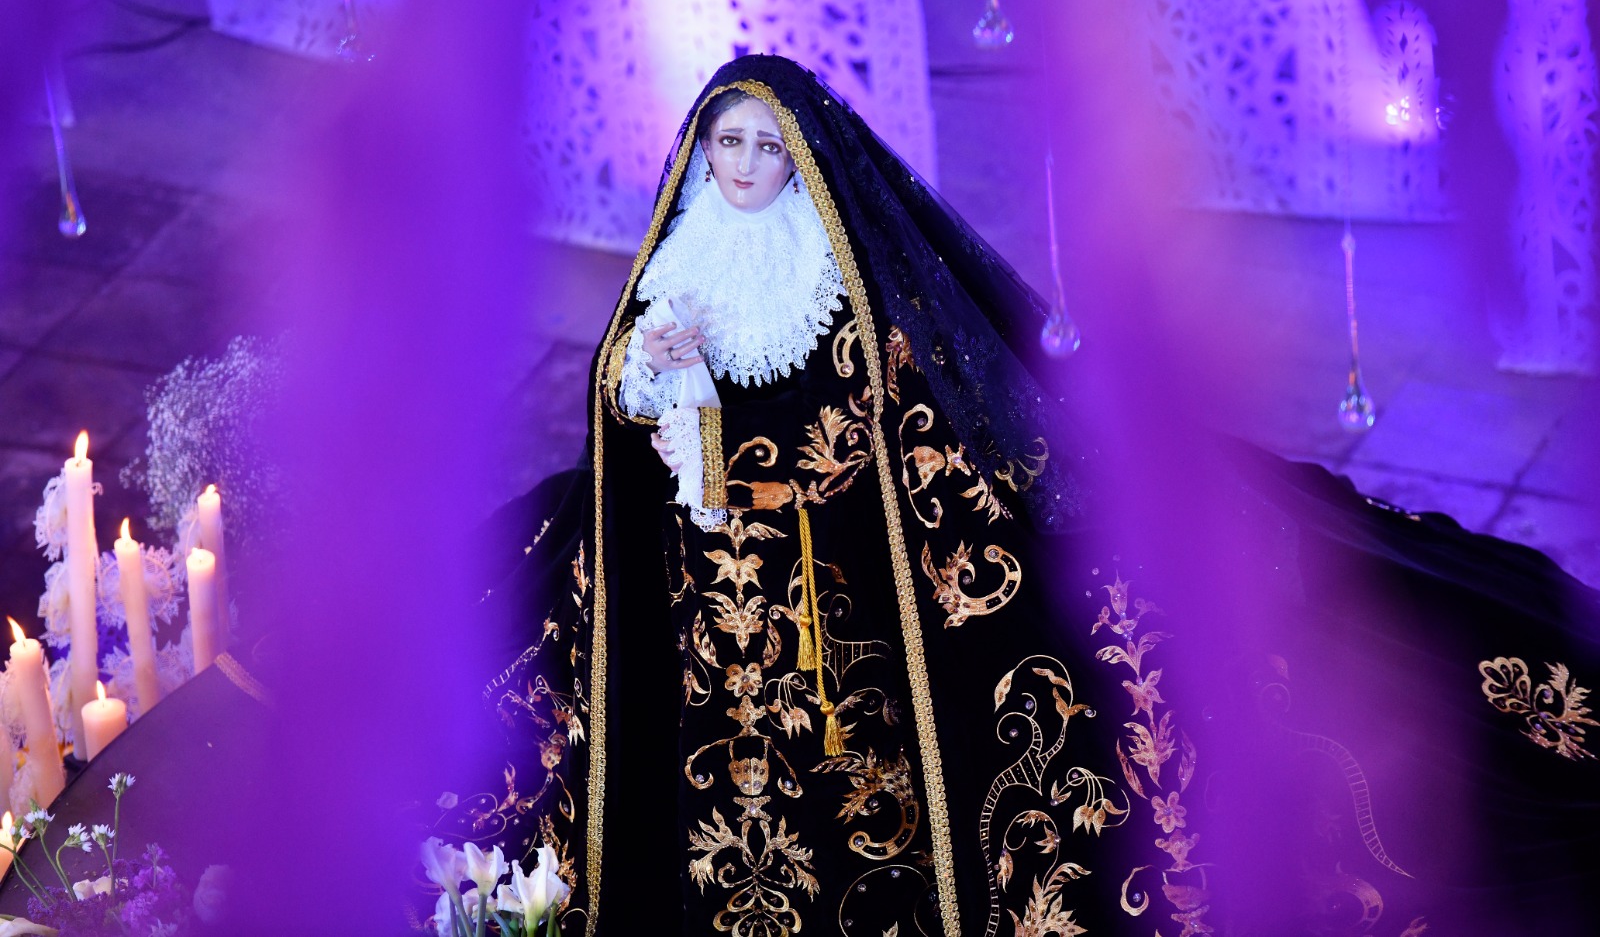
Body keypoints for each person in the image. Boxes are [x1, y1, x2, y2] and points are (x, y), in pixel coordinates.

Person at [431, 54, 1600, 937]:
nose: (742, 166)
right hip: (710, 577)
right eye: (725, 144)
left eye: (765, 148)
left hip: (839, 570)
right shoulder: (679, 261)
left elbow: (891, 415)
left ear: (801, 160)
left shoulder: (834, 274)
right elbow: (630, 415)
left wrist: (798, 460)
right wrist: (655, 377)